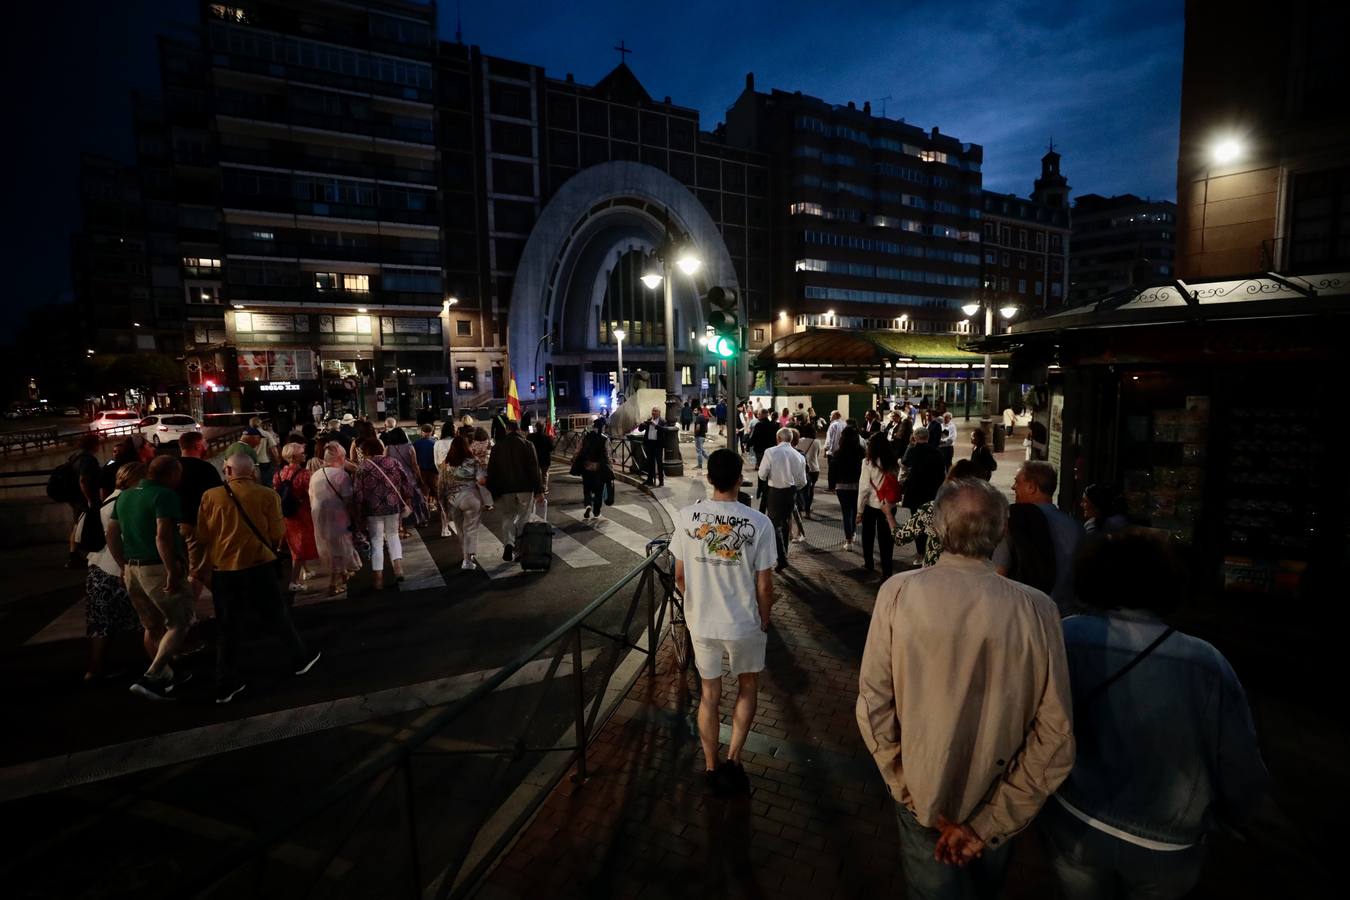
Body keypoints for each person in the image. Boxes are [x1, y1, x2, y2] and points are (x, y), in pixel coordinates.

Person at [857, 477, 1075, 898]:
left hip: (922, 796)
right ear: (1002, 528)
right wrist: (990, 822)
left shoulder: (898, 593)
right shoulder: (1037, 609)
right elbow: (1056, 735)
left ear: (937, 529)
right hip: (998, 799)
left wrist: (909, 790)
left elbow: (873, 705)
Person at [1042, 530, 1268, 899]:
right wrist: (1236, 816)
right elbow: (1239, 758)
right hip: (1168, 837)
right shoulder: (1206, 661)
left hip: (1077, 816)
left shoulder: (1067, 636)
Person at [672, 448, 777, 795]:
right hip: (744, 623)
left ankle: (711, 765)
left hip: (702, 622)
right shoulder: (759, 523)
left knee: (708, 695)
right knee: (747, 688)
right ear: (739, 479)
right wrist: (765, 619)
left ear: (709, 477)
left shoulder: (688, 518)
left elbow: (680, 576)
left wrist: (694, 605)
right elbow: (764, 584)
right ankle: (733, 759)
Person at [195, 454, 321, 704]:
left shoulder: (210, 496)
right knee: (277, 615)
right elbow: (276, 532)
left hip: (224, 569)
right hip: (258, 565)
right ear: (252, 472)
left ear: (228, 470)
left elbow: (202, 533)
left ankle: (225, 682)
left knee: (228, 627)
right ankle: (299, 659)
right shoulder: (266, 495)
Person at [105, 455, 193, 700]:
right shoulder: (164, 496)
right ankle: (152, 676)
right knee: (180, 622)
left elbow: (112, 534)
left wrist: (123, 565)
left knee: (152, 625)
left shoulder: (125, 496)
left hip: (133, 569)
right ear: (172, 474)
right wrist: (173, 572)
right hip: (156, 567)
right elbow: (162, 536)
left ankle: (165, 674)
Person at [82, 461, 145, 682]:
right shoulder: (125, 503)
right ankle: (159, 664)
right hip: (119, 568)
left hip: (97, 569)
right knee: (145, 617)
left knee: (100, 623)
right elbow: (122, 538)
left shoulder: (106, 501)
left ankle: (95, 668)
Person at [993, 461, 1084, 614]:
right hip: (1066, 613)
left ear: (1031, 487)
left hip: (1026, 613)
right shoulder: (1077, 528)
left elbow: (998, 574)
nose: (1013, 487)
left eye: (1017, 482)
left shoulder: (1013, 521)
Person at [887, 459, 983, 568]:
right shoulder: (987, 513)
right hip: (972, 573)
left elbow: (901, 537)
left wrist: (889, 515)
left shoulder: (932, 510)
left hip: (935, 571)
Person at [353, 438, 414, 590]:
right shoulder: (393, 462)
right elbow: (406, 482)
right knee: (393, 536)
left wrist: (359, 514)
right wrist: (407, 499)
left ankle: (378, 578)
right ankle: (398, 569)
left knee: (376, 541)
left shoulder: (362, 467)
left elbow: (358, 494)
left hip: (372, 509)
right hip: (393, 506)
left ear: (365, 451)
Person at [485, 418, 544, 562]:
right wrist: (539, 490)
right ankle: (520, 550)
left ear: (507, 429)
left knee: (507, 516)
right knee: (524, 518)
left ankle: (509, 544)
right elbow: (534, 469)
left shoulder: (497, 447)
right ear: (518, 429)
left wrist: (492, 491)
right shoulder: (528, 445)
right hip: (525, 487)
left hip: (505, 489)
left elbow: (491, 470)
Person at [177, 432, 223, 604]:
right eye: (204, 443)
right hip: (195, 525)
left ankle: (225, 602)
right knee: (198, 571)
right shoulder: (205, 469)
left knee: (189, 569)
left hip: (171, 524)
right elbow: (218, 498)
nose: (207, 446)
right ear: (197, 446)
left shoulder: (171, 467)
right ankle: (186, 615)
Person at [310, 442, 360, 596]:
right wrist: (356, 518)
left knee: (329, 546)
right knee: (340, 547)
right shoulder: (341, 475)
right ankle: (333, 584)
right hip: (337, 517)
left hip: (319, 516)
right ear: (340, 458)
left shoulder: (316, 474)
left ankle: (343, 573)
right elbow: (348, 500)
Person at [757, 427, 807, 573]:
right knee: (785, 523)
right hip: (791, 492)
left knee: (774, 524)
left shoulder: (770, 452)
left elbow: (762, 474)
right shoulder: (798, 456)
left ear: (778, 438)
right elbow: (802, 481)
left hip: (775, 492)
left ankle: (782, 558)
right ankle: (784, 553)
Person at [273, 442, 319, 592]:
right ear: (294, 456)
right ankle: (293, 581)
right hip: (302, 513)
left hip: (287, 514)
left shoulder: (279, 474)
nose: (304, 454)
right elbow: (312, 494)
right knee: (300, 546)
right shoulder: (305, 474)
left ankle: (306, 570)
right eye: (302, 452)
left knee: (295, 543)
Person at [441, 432, 487, 569]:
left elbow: (441, 484)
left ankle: (465, 557)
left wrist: (442, 503)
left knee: (460, 529)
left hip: (453, 499)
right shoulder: (473, 461)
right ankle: (468, 558)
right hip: (470, 497)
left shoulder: (446, 464)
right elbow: (482, 481)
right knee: (471, 528)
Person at [857, 433, 900, 578]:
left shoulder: (867, 462)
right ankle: (887, 571)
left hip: (872, 504)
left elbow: (864, 488)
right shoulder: (893, 461)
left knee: (868, 535)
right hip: (889, 505)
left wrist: (859, 510)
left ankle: (869, 563)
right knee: (886, 539)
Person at [64, 433, 104, 568]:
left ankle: (73, 555)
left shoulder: (75, 456)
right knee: (85, 526)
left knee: (77, 524)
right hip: (83, 498)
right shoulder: (88, 459)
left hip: (74, 497)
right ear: (93, 445)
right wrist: (90, 499)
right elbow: (83, 480)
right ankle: (82, 555)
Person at [900, 429, 946, 548]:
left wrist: (910, 445)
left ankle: (920, 552)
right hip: (932, 492)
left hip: (915, 493)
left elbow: (904, 466)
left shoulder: (912, 451)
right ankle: (932, 548)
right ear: (928, 437)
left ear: (914, 437)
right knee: (931, 522)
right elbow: (943, 474)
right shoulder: (937, 452)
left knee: (917, 522)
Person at [570, 417, 614, 520]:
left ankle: (588, 504)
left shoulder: (586, 436)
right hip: (599, 468)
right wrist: (610, 466)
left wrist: (573, 458)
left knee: (587, 488)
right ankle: (596, 511)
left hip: (586, 467)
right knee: (599, 490)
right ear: (602, 427)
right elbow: (608, 454)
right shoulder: (604, 438)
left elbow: (578, 449)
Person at [832, 424, 865, 552]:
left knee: (846, 513)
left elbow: (833, 470)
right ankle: (853, 532)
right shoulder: (861, 452)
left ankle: (849, 540)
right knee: (855, 511)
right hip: (857, 486)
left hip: (842, 486)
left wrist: (832, 484)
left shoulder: (838, 453)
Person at [794, 422, 821, 519]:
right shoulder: (816, 442)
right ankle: (808, 511)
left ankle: (801, 508)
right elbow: (817, 454)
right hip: (814, 469)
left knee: (801, 490)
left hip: (803, 468)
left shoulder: (800, 441)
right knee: (811, 490)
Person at [637, 407, 668, 487]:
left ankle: (661, 481)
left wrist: (655, 425)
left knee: (659, 463)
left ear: (659, 412)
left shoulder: (662, 421)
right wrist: (642, 424)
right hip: (649, 444)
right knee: (650, 462)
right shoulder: (649, 420)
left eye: (655, 411)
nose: (653, 412)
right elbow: (640, 429)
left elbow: (665, 430)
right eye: (653, 411)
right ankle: (649, 480)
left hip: (658, 445)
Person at [250, 416, 282, 487]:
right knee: (267, 481)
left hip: (252, 461)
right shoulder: (265, 434)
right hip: (264, 460)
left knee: (255, 481)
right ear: (260, 423)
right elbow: (273, 448)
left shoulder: (247, 435)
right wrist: (277, 459)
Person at [527, 418, 554, 494]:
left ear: (536, 427)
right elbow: (551, 449)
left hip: (534, 458)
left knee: (535, 474)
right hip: (545, 459)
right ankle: (544, 488)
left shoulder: (531, 437)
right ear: (543, 428)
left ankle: (536, 488)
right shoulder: (547, 438)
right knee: (544, 474)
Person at [413, 424, 438, 508]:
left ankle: (425, 508)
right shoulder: (435, 443)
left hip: (421, 471)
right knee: (435, 489)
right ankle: (437, 506)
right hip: (433, 471)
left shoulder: (416, 444)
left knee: (424, 491)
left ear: (422, 432)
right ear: (431, 432)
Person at [823, 411, 845, 491]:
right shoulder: (843, 423)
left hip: (833, 451)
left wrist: (827, 449)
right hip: (841, 450)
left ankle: (831, 487)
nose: (829, 416)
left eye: (831, 415)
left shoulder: (833, 425)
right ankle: (838, 485)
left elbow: (830, 439)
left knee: (832, 470)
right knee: (839, 469)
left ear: (835, 415)